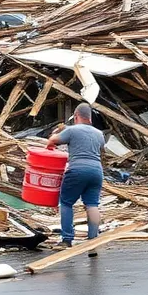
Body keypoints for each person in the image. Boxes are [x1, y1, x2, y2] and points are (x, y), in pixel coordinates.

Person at [46, 102, 105, 254]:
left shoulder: (71, 130)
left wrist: (56, 133)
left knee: (66, 202)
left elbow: (52, 141)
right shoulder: (99, 134)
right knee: (92, 204)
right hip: (97, 171)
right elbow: (101, 151)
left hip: (77, 169)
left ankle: (67, 240)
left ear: (77, 116)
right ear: (90, 118)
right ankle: (93, 242)